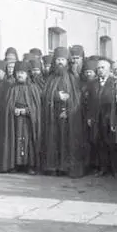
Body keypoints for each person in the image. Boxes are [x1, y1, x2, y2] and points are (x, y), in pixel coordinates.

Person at [41, 47, 85, 178]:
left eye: (63, 60)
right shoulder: (51, 78)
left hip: (69, 117)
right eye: (58, 59)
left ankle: (67, 167)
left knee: (68, 140)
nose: (60, 62)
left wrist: (68, 108)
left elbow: (77, 97)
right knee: (54, 140)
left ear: (67, 61)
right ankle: (54, 167)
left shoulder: (73, 77)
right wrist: (56, 96)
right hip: (53, 116)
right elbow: (45, 95)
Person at [0, 61, 42, 174]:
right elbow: (7, 105)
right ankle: (14, 165)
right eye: (18, 72)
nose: (19, 75)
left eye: (22, 73)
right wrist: (13, 110)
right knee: (14, 140)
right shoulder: (12, 88)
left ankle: (30, 165)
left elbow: (37, 107)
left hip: (28, 121)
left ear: (27, 74)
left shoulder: (33, 88)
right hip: (15, 120)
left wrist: (27, 111)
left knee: (28, 142)